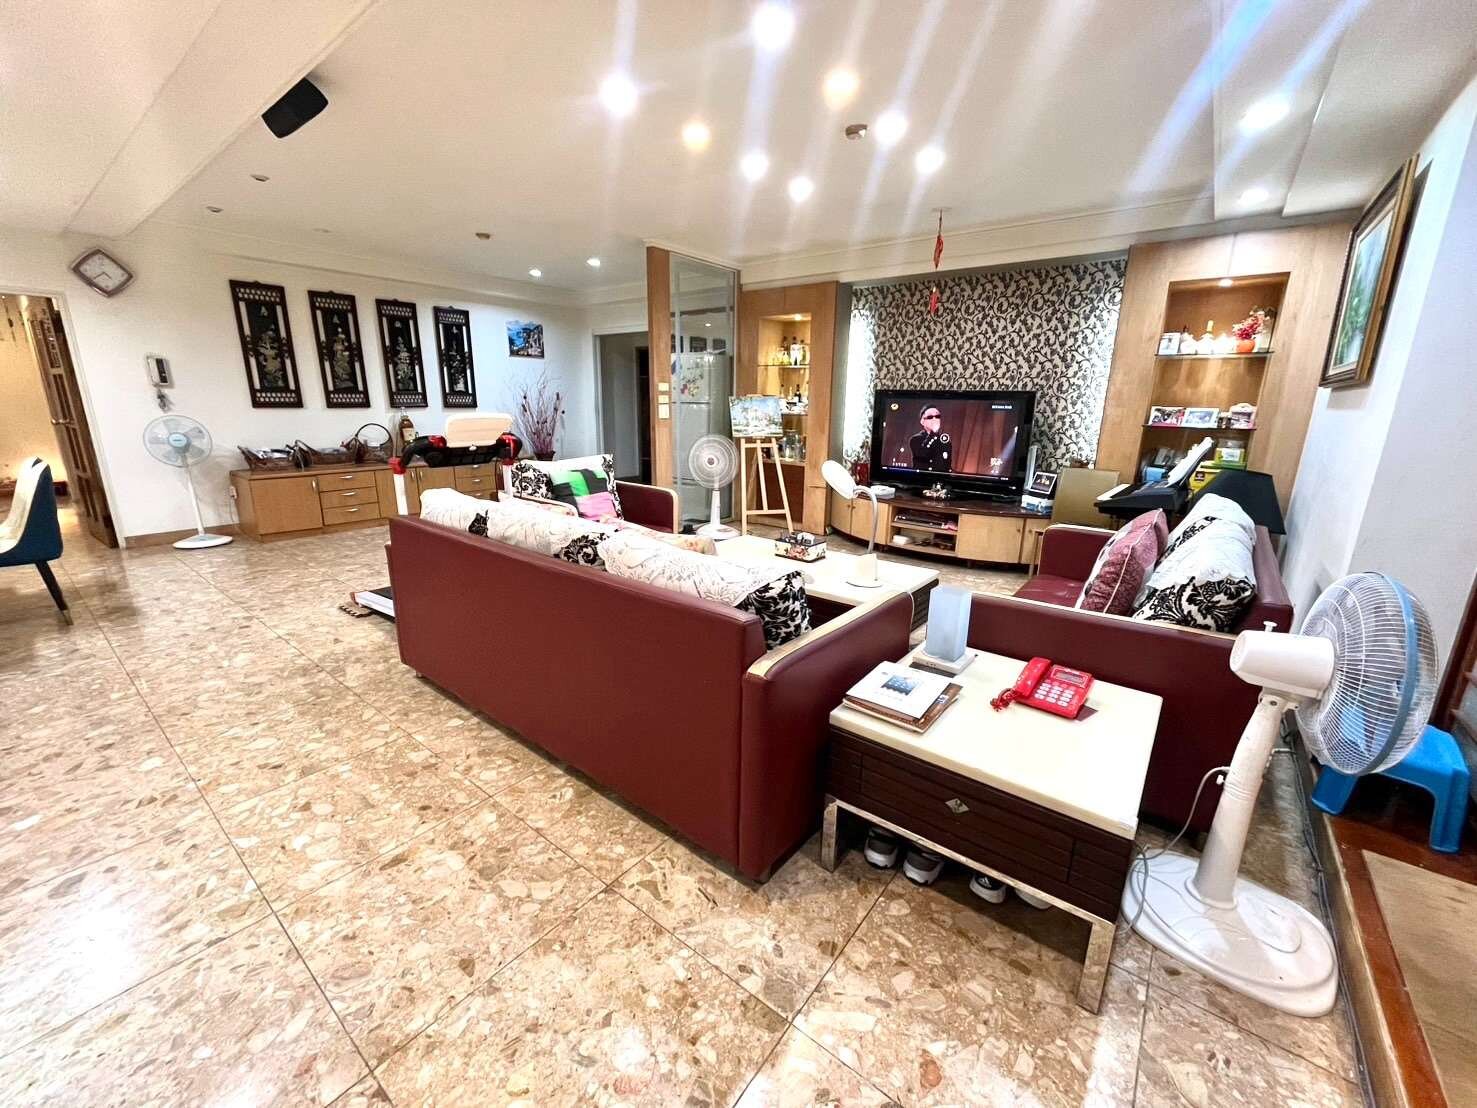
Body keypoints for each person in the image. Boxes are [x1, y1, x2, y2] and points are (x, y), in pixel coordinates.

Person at [908, 406, 952, 472]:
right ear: (922, 421)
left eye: (937, 416)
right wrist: (933, 434)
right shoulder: (915, 439)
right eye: (930, 417)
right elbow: (922, 454)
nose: (934, 419)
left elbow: (947, 464)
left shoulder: (944, 440)